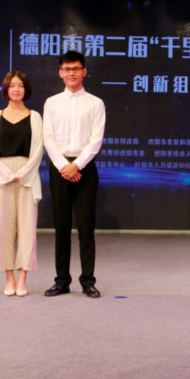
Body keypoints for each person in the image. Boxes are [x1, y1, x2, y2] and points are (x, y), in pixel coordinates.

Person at [43, 50, 106, 298]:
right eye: (67, 69)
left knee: (85, 227)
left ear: (84, 71)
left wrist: (76, 165)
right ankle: (61, 281)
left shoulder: (95, 103)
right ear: (60, 73)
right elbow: (48, 138)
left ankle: (88, 281)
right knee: (61, 227)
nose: (72, 73)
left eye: (76, 69)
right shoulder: (51, 103)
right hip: (60, 168)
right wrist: (64, 166)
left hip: (84, 168)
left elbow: (95, 140)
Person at [0, 71, 43, 296]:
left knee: (27, 230)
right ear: (6, 89)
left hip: (28, 176)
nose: (16, 89)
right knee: (2, 229)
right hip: (2, 177)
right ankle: (9, 277)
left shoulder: (35, 117)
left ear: (26, 89)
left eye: (20, 85)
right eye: (12, 85)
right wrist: (6, 173)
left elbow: (37, 150)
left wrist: (23, 173)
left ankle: (23, 277)